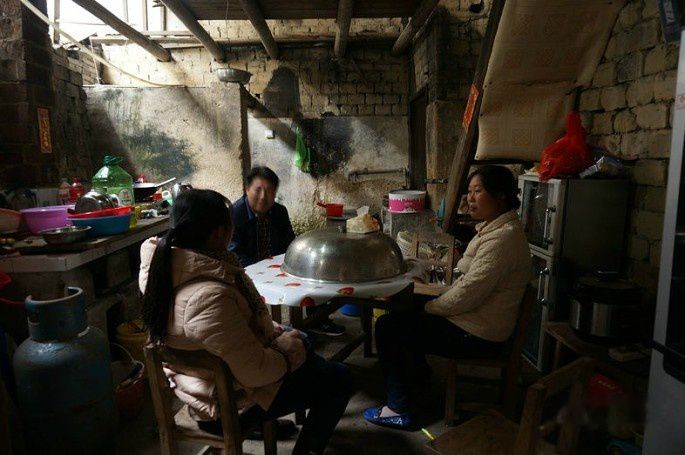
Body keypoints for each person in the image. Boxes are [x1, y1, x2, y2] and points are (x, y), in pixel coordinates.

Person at [140, 189, 354, 454]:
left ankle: (292, 394)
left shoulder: (161, 269)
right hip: (223, 408)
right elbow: (256, 371)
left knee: (302, 341)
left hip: (204, 384)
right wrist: (286, 351)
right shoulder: (209, 296)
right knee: (339, 377)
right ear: (218, 233)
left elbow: (229, 333)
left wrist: (282, 338)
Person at [363, 165, 532, 430]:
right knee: (404, 303)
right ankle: (418, 373)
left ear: (500, 197)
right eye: (469, 192)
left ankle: (398, 408)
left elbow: (467, 294)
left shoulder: (503, 239)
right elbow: (466, 282)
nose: (470, 198)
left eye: (478, 192)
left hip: (478, 335)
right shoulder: (495, 228)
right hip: (474, 319)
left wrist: (429, 306)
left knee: (387, 327)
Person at [230, 166, 346, 336]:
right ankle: (267, 331)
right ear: (247, 189)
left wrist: (299, 261)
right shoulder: (234, 214)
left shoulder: (279, 211)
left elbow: (291, 243)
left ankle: (317, 320)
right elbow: (235, 254)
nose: (263, 196)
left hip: (278, 265)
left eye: (269, 191)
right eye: (258, 190)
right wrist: (261, 269)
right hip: (248, 268)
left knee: (310, 269)